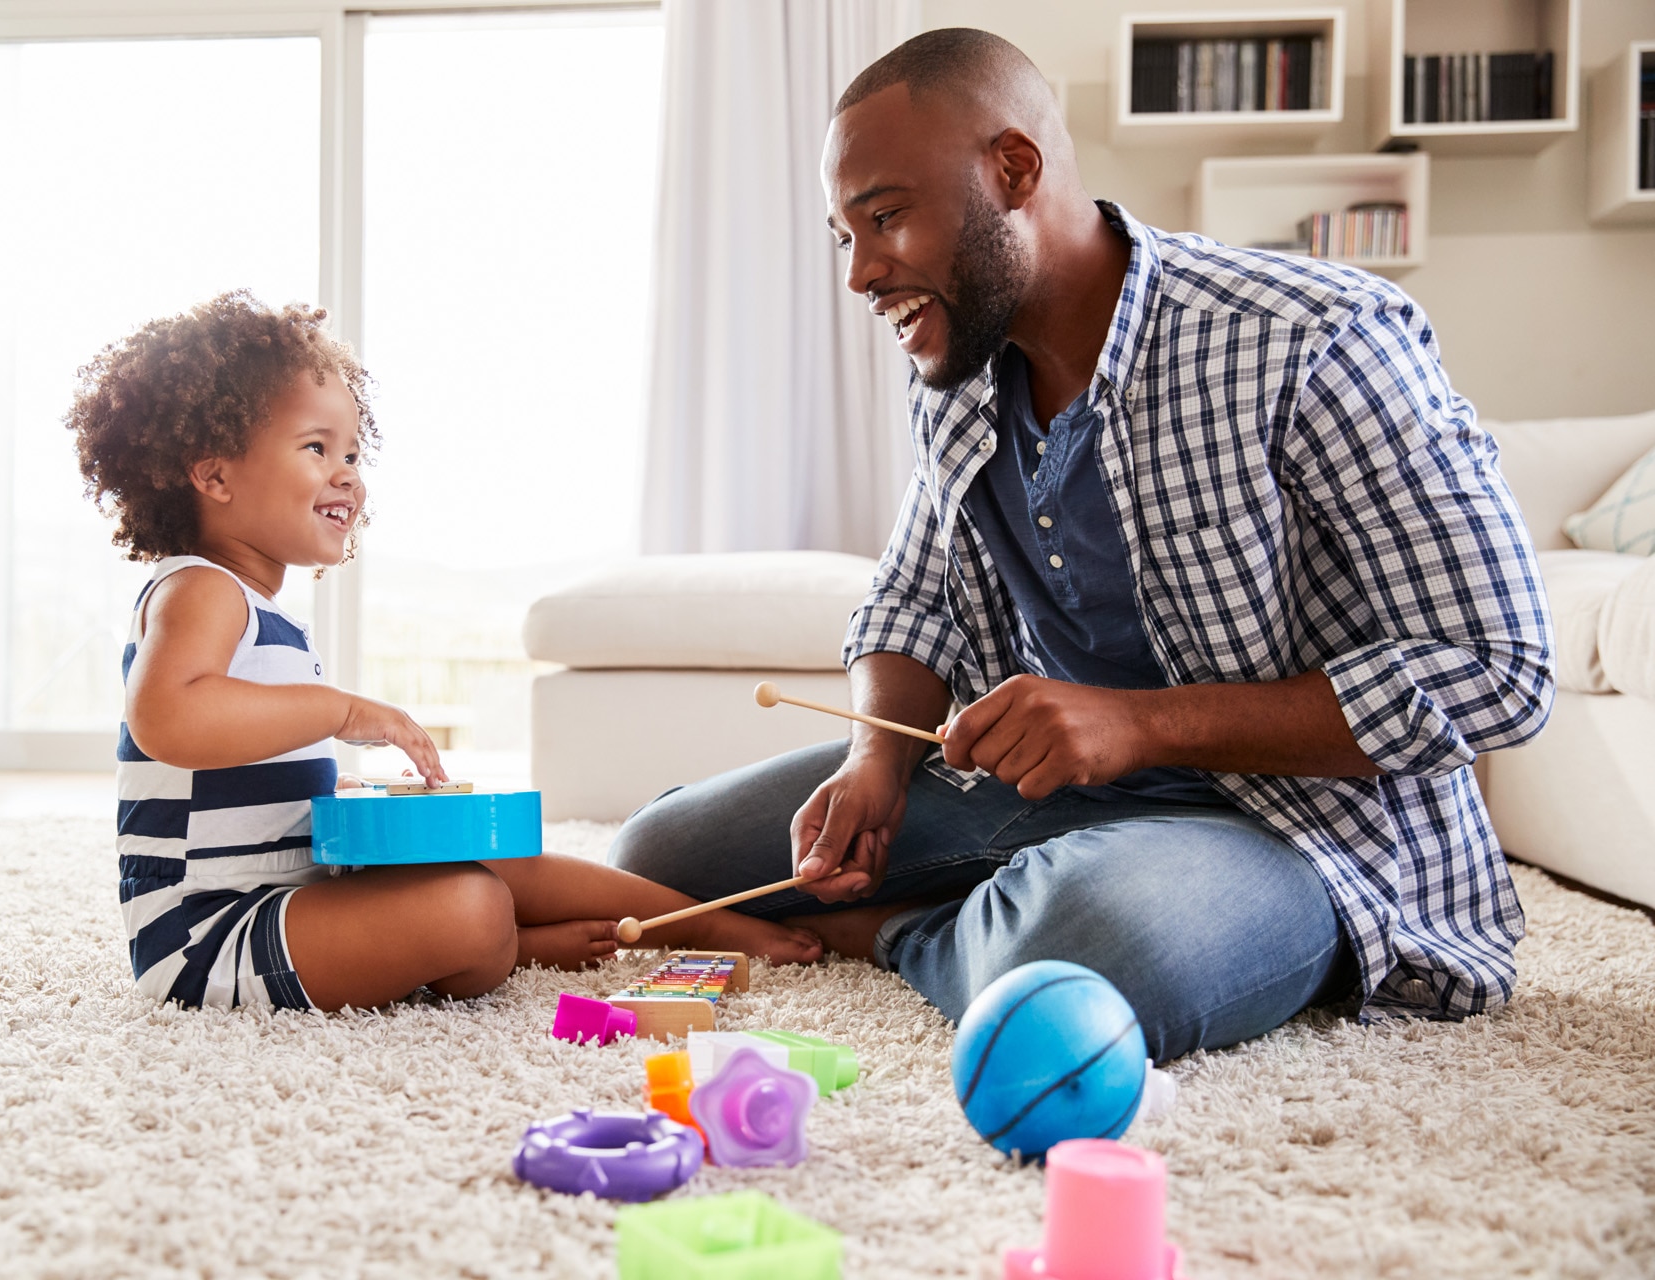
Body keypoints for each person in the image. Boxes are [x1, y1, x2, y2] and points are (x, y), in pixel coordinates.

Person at [609, 29, 1552, 1060]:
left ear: (1014, 169)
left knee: (1084, 948)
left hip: (1295, 833)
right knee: (660, 852)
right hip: (1051, 799)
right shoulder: (963, 371)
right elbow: (912, 600)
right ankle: (1001, 905)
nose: (862, 273)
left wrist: (1142, 725)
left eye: (885, 217)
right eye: (845, 235)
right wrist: (876, 757)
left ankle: (893, 930)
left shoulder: (1316, 338)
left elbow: (1497, 669)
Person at [67, 292, 821, 1012]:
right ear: (214, 473)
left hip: (291, 891)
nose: (346, 474)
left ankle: (702, 923)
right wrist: (344, 711)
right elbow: (170, 717)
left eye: (354, 453)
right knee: (473, 905)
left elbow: (249, 763)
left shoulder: (262, 612)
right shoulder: (201, 589)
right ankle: (514, 945)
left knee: (490, 858)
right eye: (316, 447)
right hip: (208, 937)